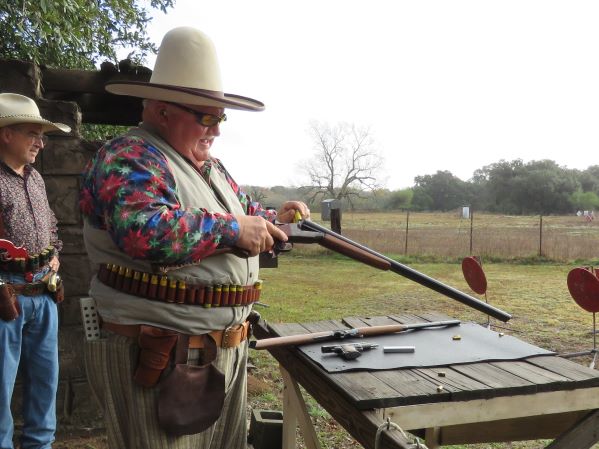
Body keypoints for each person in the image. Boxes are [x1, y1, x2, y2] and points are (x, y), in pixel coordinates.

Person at [79, 27, 309, 449]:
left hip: (222, 348)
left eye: (220, 117)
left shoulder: (210, 167)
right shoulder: (129, 155)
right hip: (159, 352)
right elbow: (145, 231)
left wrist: (276, 219)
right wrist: (234, 229)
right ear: (163, 111)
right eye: (207, 117)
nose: (216, 129)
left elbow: (245, 213)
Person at [0, 93, 69, 449]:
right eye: (33, 134)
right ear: (6, 134)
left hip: (44, 292)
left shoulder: (35, 178)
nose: (40, 143)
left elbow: (51, 224)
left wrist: (54, 254)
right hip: (5, 297)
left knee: (46, 381)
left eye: (41, 136)